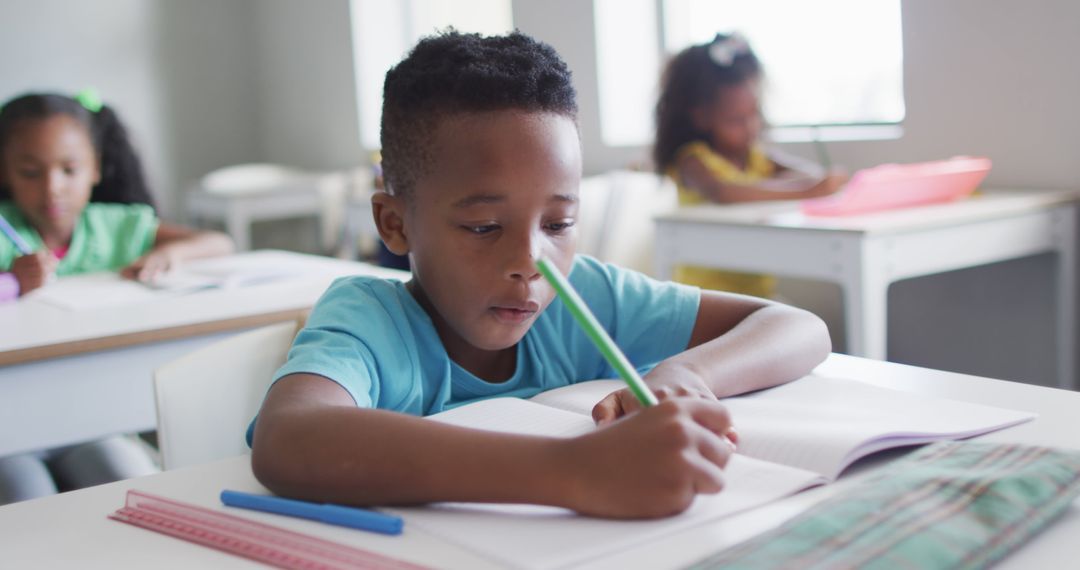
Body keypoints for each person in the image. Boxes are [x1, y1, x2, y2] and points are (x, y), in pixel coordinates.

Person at [249, 31, 831, 519]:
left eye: (558, 223)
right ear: (395, 224)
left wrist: (686, 371)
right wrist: (573, 473)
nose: (531, 264)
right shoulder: (371, 321)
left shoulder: (587, 297)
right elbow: (289, 439)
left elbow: (796, 327)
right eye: (482, 227)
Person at [0, 91, 234, 504]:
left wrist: (168, 253)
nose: (52, 188)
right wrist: (13, 280)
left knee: (129, 485)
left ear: (95, 168)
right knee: (26, 497)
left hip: (91, 419)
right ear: (6, 173)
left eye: (69, 169)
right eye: (30, 172)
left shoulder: (117, 227)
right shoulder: (7, 235)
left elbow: (218, 241)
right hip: (11, 429)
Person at [653, 33, 847, 298]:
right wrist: (808, 191)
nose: (750, 127)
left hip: (758, 296)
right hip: (704, 300)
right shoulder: (692, 160)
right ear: (701, 117)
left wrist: (818, 183)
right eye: (735, 120)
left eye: (753, 115)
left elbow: (809, 174)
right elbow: (725, 192)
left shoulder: (756, 157)